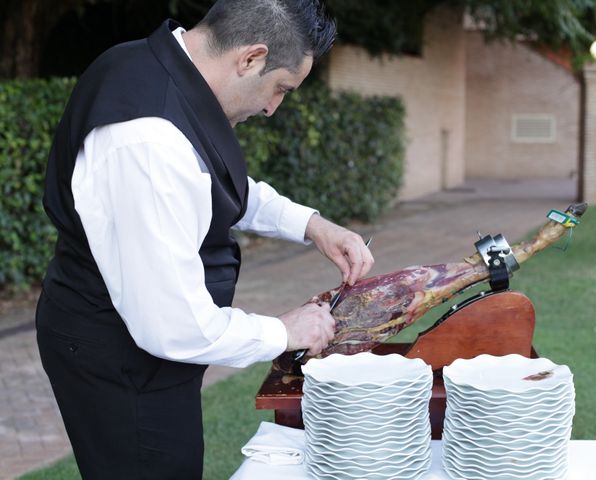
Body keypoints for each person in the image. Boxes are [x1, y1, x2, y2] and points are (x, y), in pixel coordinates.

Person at [36, 0, 373, 478]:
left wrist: (311, 225)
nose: (273, 108)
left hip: (144, 343)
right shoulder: (148, 141)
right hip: (120, 359)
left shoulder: (166, 68)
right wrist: (286, 331)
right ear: (251, 58)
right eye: (280, 88)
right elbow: (173, 326)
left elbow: (210, 181)